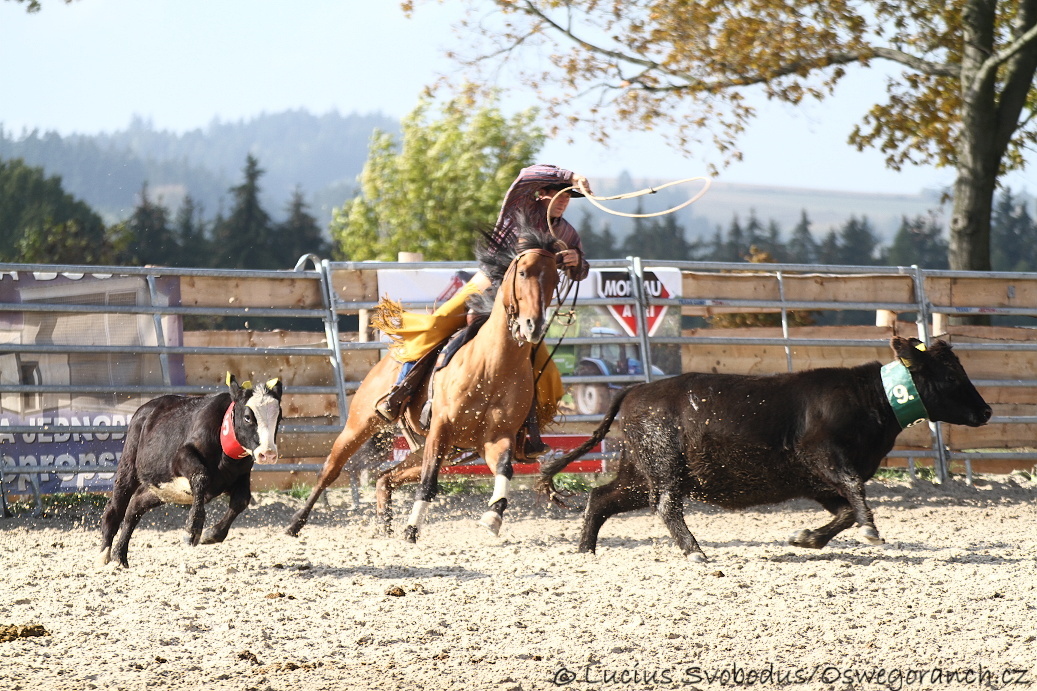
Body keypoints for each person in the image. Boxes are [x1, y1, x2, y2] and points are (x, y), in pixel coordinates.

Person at [373, 164, 593, 458]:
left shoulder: (567, 233)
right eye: (560, 194)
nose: (565, 200)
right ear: (542, 193)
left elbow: (581, 272)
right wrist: (570, 176)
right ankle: (399, 391)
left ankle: (526, 431)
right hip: (487, 286)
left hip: (521, 307)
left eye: (569, 197)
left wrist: (575, 260)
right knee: (437, 325)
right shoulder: (521, 208)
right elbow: (526, 175)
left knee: (543, 368)